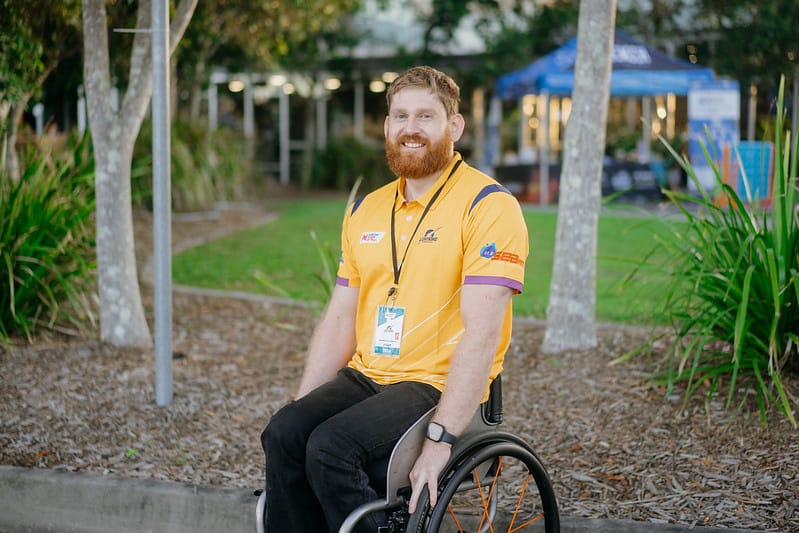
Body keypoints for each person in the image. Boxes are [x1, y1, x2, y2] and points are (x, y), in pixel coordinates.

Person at [260, 65, 529, 533]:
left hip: (434, 384)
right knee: (285, 432)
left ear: (454, 126)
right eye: (400, 116)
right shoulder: (369, 207)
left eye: (426, 117)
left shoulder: (488, 205)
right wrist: (303, 406)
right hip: (369, 375)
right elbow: (341, 314)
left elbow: (483, 333)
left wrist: (441, 439)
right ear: (386, 126)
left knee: (331, 448)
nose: (410, 129)